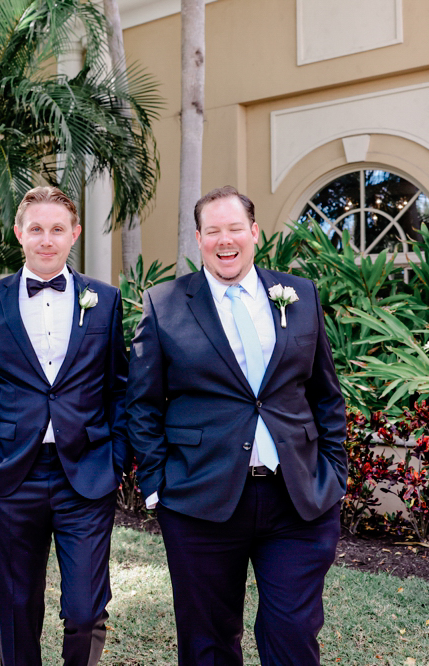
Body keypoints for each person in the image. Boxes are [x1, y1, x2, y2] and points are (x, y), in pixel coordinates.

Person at [126, 185, 348, 665]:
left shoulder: (300, 294)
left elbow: (325, 393)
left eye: (234, 229)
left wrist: (334, 473)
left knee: (293, 634)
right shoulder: (165, 304)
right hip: (199, 499)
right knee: (207, 642)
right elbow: (142, 404)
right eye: (212, 231)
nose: (224, 240)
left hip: (296, 500)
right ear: (198, 238)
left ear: (254, 232)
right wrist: (157, 485)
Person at [0, 186, 128, 666]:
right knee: (17, 611)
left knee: (85, 610)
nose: (47, 239)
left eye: (58, 229)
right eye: (36, 229)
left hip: (87, 474)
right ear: (19, 233)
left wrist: (115, 458)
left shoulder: (105, 299)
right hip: (13, 475)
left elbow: (119, 387)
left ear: (75, 233)